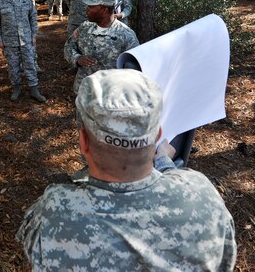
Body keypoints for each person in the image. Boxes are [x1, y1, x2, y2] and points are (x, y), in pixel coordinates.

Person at [16, 69, 237, 271]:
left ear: (83, 142)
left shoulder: (53, 213)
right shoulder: (202, 196)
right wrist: (164, 163)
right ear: (158, 134)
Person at [65, 0, 139, 93]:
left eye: (91, 6)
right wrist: (77, 59)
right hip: (83, 92)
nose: (87, 9)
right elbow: (69, 46)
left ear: (104, 9)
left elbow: (134, 72)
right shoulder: (84, 27)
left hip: (109, 97)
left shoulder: (126, 35)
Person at [0, 0, 46, 103]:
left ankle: (34, 89)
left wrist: (34, 35)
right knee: (13, 66)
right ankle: (16, 88)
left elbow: (33, 16)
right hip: (9, 41)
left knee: (30, 64)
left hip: (26, 39)